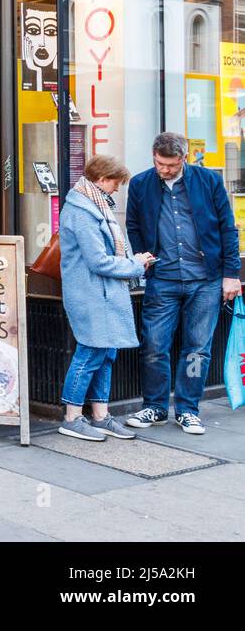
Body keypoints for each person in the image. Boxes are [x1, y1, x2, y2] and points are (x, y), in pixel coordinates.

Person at [124, 132, 241, 434]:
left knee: (197, 349)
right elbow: (134, 225)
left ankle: (188, 408)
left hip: (205, 279)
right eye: (160, 164)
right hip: (162, 278)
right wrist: (143, 257)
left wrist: (232, 275)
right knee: (153, 345)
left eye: (171, 165)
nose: (165, 170)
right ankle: (155, 406)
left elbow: (228, 228)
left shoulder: (208, 181)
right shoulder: (140, 183)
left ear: (184, 159)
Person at [56, 155, 155, 441]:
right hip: (91, 294)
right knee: (89, 353)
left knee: (106, 353)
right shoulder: (81, 211)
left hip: (104, 293)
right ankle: (72, 417)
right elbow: (98, 261)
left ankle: (100, 415)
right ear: (101, 179)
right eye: (116, 183)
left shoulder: (96, 205)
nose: (117, 189)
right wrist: (135, 265)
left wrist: (133, 261)